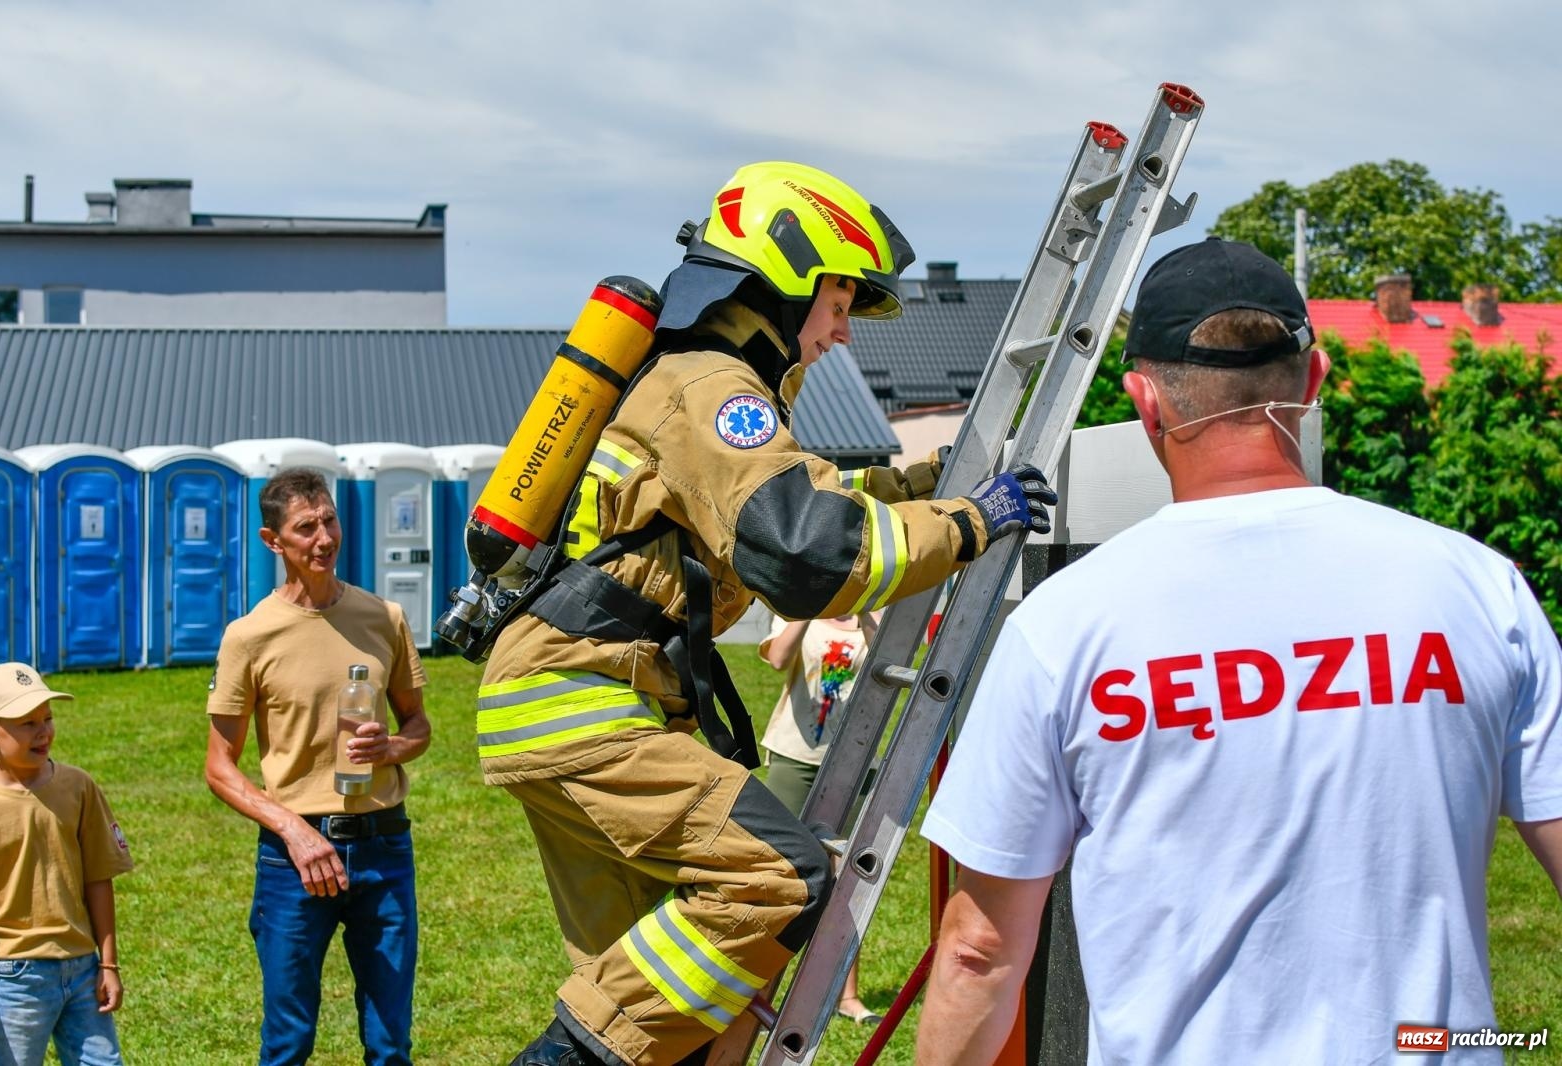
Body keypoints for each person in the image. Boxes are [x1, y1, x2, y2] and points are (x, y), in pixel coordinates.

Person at [914, 238, 1562, 1064]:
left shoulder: (1063, 629)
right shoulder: (1478, 588)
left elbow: (980, 952)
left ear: (1145, 402)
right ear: (1315, 380)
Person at [489, 161, 1057, 1066]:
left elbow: (809, 502)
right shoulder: (712, 385)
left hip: (574, 698)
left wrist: (924, 484)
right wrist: (970, 520)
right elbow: (811, 550)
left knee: (681, 1010)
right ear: (786, 278)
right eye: (839, 301)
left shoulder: (700, 386)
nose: (840, 331)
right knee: (773, 878)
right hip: (584, 697)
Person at [205, 467, 431, 1066]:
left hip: (384, 851)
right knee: (288, 1043)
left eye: (329, 521)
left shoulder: (384, 617)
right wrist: (295, 831)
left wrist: (391, 749)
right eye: (305, 528)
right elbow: (219, 767)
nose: (324, 538)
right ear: (272, 541)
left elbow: (419, 726)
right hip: (293, 860)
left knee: (390, 1045)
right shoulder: (249, 636)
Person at [0, 662, 133, 1066]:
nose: (43, 731)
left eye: (47, 718)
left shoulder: (78, 786)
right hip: (13, 981)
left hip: (83, 968)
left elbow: (98, 877)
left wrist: (108, 963)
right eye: (26, 723)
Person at [757, 610, 882, 1026]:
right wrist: (809, 606)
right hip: (794, 758)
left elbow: (886, 658)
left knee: (846, 878)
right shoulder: (796, 613)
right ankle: (756, 989)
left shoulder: (872, 622)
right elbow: (777, 658)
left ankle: (847, 995)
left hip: (851, 761)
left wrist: (865, 606)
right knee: (774, 872)